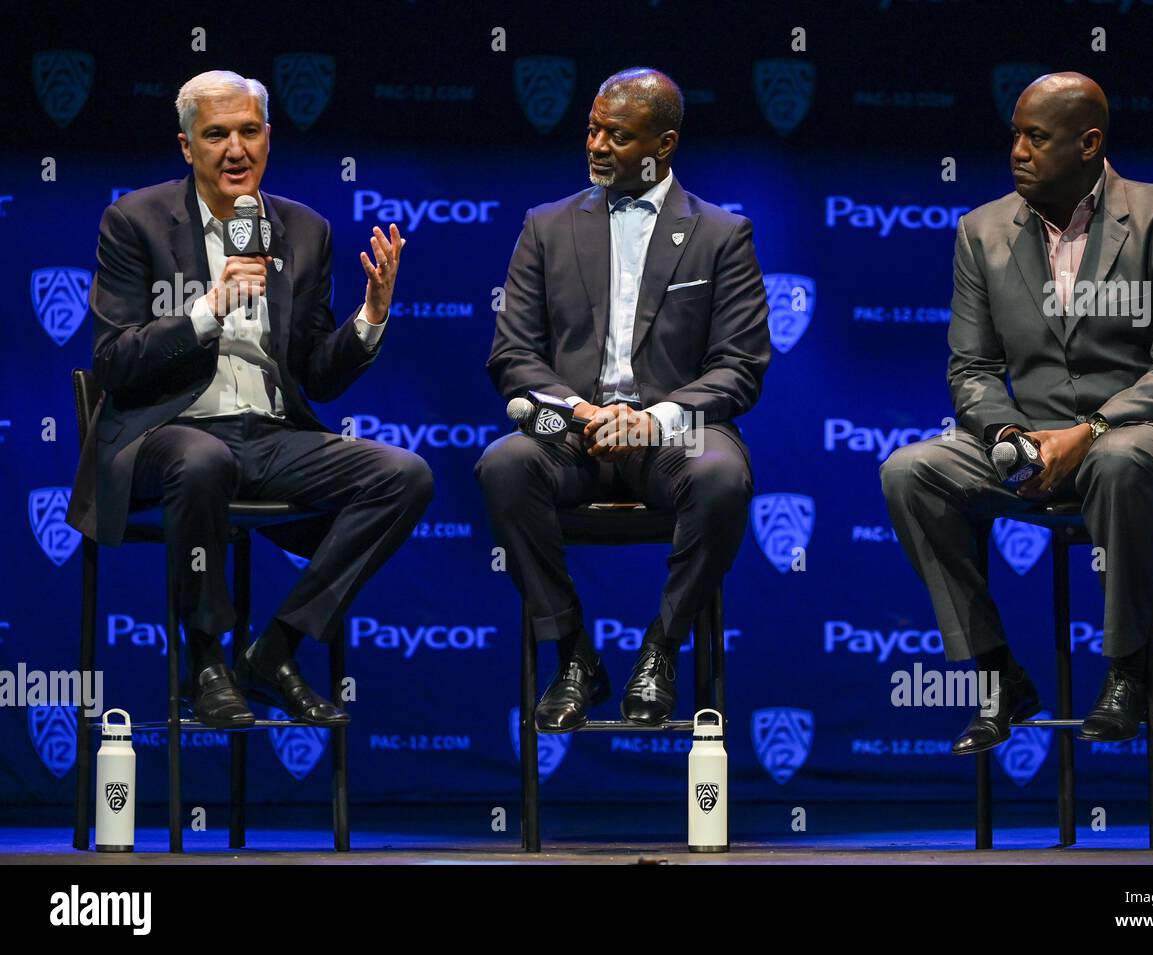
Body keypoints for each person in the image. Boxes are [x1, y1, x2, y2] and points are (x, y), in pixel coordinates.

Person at [68, 70, 433, 728]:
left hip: (268, 434)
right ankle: (206, 660)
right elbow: (114, 360)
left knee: (403, 476)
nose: (235, 148)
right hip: (164, 430)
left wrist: (370, 319)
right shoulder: (135, 221)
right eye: (215, 134)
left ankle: (279, 646)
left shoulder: (304, 229)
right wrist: (207, 310)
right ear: (187, 146)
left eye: (248, 131)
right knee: (202, 458)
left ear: (268, 137)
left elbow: (317, 375)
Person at [879, 72, 1153, 753]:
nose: (1018, 151)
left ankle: (1129, 669)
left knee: (1118, 461)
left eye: (1036, 138)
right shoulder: (982, 231)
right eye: (1015, 135)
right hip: (1033, 439)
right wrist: (1009, 437)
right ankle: (999, 673)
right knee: (911, 471)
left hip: (1137, 437)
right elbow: (971, 368)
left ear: (1089, 143)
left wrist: (1089, 431)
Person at [476, 67, 770, 732]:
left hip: (671, 435)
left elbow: (739, 368)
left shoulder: (722, 235)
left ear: (663, 145)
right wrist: (582, 413)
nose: (597, 145)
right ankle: (574, 651)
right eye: (592, 129)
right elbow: (512, 354)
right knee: (502, 465)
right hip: (572, 434)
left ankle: (661, 647)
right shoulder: (546, 226)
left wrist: (650, 419)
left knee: (721, 475)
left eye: (617, 134)